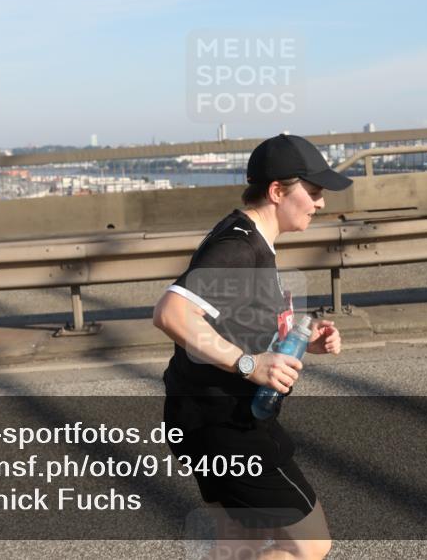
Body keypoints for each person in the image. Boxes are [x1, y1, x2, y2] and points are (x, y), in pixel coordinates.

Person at [153, 134, 352, 560]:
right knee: (310, 544)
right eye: (313, 193)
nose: (320, 203)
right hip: (226, 425)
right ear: (278, 191)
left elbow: (237, 320)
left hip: (206, 416)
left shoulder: (253, 238)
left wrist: (302, 343)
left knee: (237, 544)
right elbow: (171, 313)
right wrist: (248, 364)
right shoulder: (240, 247)